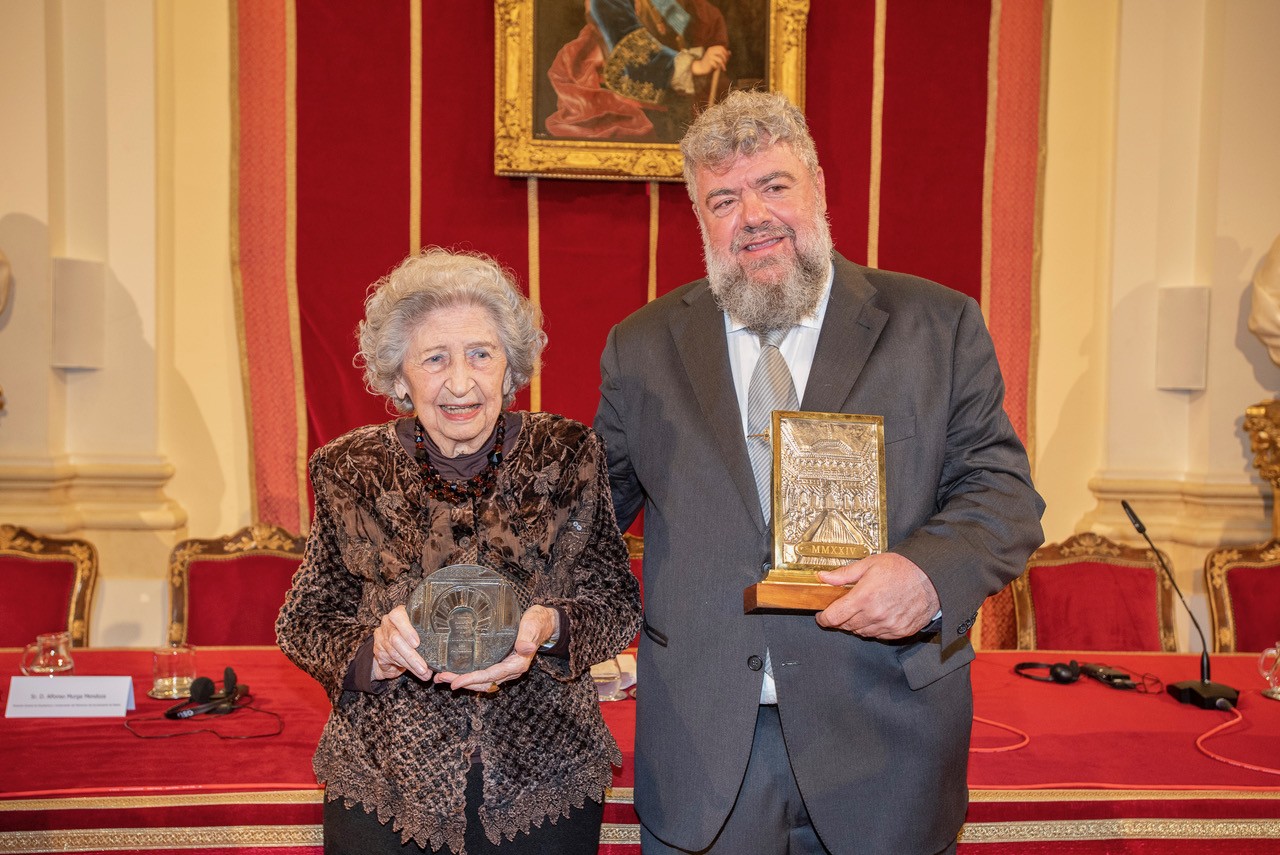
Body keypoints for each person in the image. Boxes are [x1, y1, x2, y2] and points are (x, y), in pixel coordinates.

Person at [594, 90, 1045, 855]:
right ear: (701, 220)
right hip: (706, 756)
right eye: (724, 199)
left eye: (774, 185)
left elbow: (1003, 497)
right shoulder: (642, 346)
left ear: (819, 189)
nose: (754, 216)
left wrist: (926, 575)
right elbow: (589, 514)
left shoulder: (938, 326)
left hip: (885, 740)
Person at [278, 248, 642, 854]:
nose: (460, 382)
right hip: (385, 783)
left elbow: (615, 602)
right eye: (434, 359)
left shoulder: (568, 454)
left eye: (480, 354)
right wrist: (375, 650)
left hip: (544, 780)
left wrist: (550, 628)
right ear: (399, 376)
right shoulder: (350, 468)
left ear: (509, 367)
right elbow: (304, 621)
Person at [546, 0, 730, 141]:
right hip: (608, 88)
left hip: (666, 89)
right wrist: (694, 66)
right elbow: (629, 51)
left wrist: (707, 49)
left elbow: (684, 27)